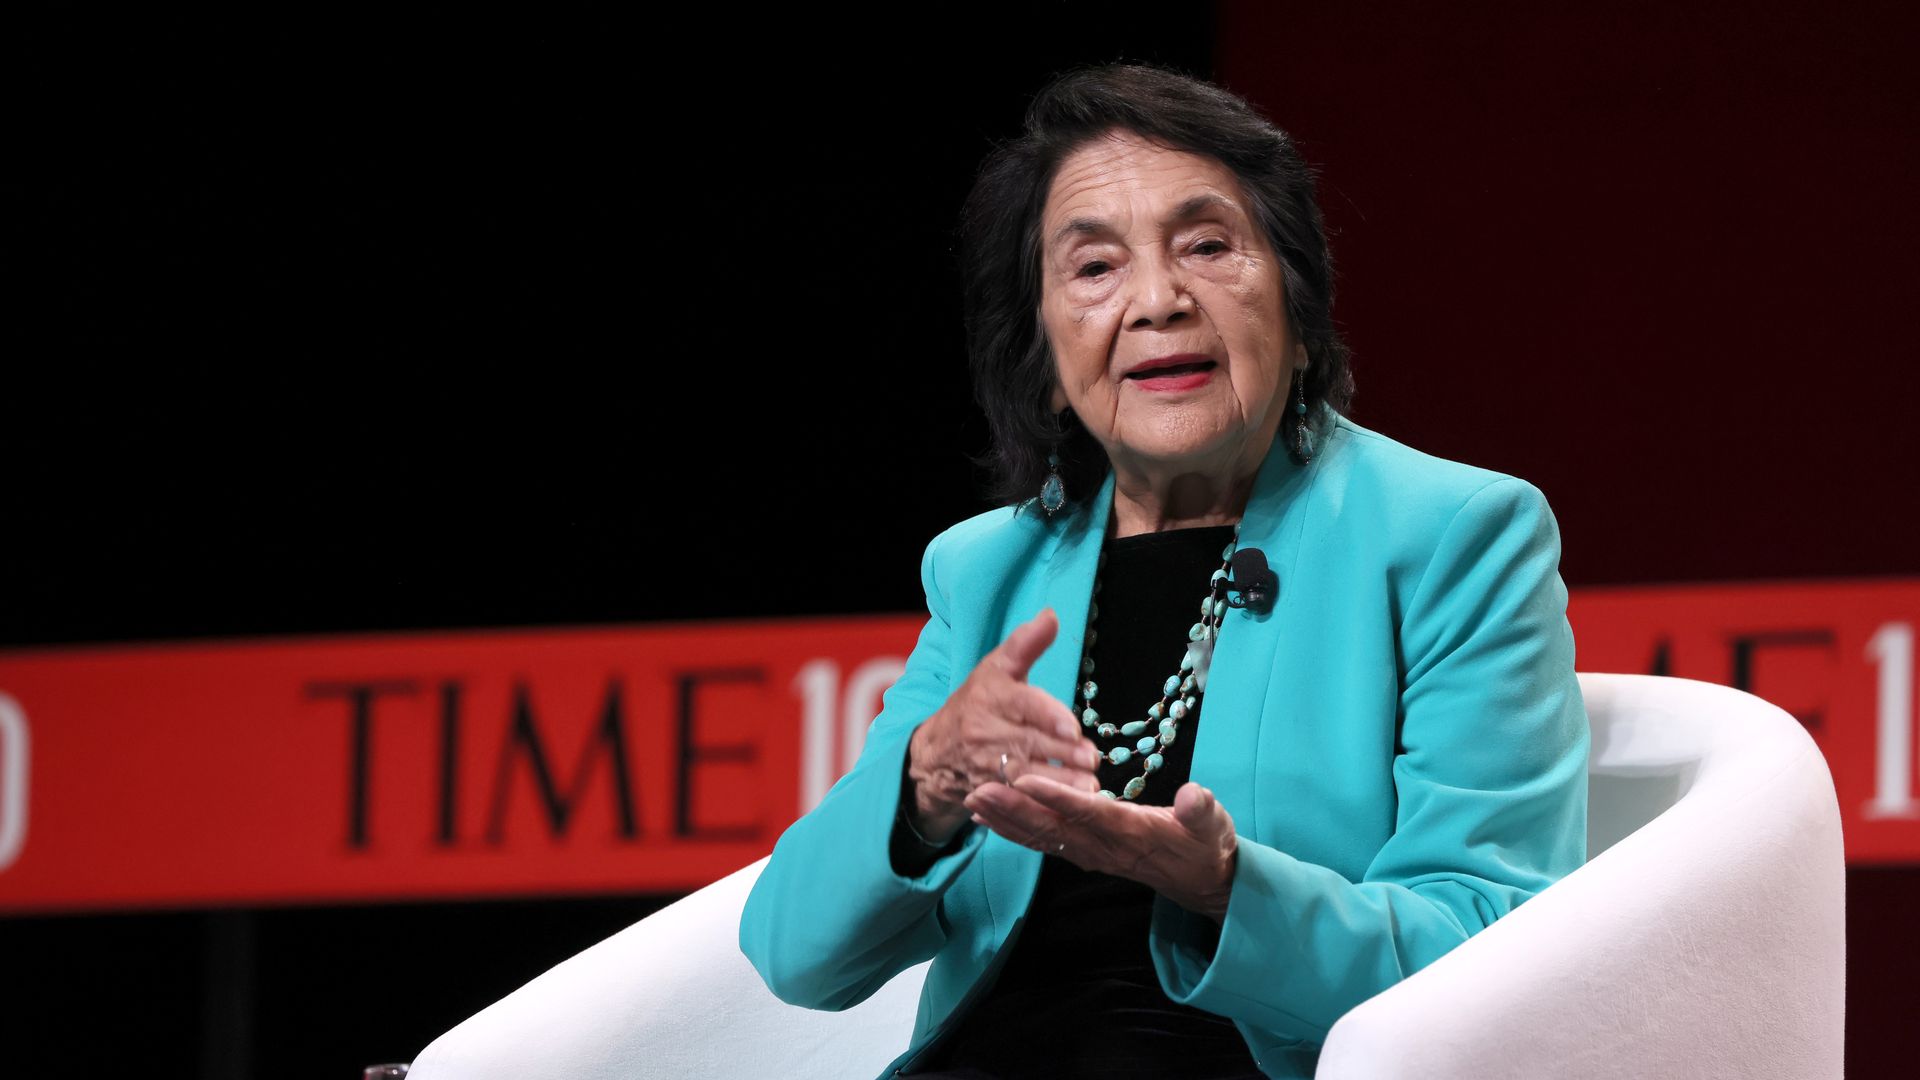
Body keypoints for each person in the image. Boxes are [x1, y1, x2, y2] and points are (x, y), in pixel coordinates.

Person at [738, 62, 1588, 1080]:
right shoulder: (988, 572)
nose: (1157, 300)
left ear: (1300, 309)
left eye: (1207, 245)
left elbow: (1493, 941)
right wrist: (928, 781)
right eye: (1093, 268)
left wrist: (1232, 890)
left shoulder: (1454, 536)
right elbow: (796, 953)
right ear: (1048, 361)